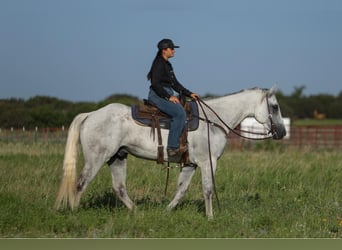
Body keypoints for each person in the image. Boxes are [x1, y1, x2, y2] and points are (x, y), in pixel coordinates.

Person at [147, 38, 200, 158]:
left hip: (165, 93)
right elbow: (155, 83)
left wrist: (189, 94)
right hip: (158, 95)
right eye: (172, 49)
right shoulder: (159, 63)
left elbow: (175, 84)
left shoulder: (167, 64)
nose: (174, 51)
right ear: (164, 50)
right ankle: (172, 147)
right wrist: (168, 96)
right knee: (180, 114)